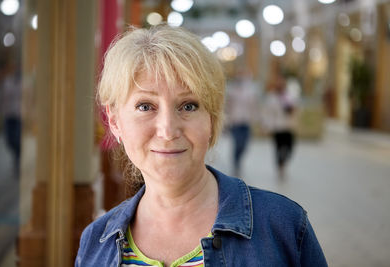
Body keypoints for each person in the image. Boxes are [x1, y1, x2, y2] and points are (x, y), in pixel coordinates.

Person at [76, 25, 327, 267]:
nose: (168, 130)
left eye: (188, 106)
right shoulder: (96, 243)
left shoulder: (283, 227)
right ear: (114, 121)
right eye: (145, 106)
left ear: (212, 117)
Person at [264, 75, 298, 178]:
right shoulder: (271, 97)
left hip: (289, 127)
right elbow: (268, 113)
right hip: (278, 128)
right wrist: (267, 126)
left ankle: (284, 162)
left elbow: (296, 108)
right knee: (278, 149)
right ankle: (280, 165)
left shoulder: (290, 95)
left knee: (290, 148)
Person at [225, 73, 258, 177]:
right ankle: (236, 163)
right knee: (237, 143)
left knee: (244, 145)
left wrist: (256, 118)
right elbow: (227, 106)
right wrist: (227, 120)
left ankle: (239, 159)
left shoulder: (250, 91)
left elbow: (253, 106)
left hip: (246, 121)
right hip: (235, 121)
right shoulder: (231, 91)